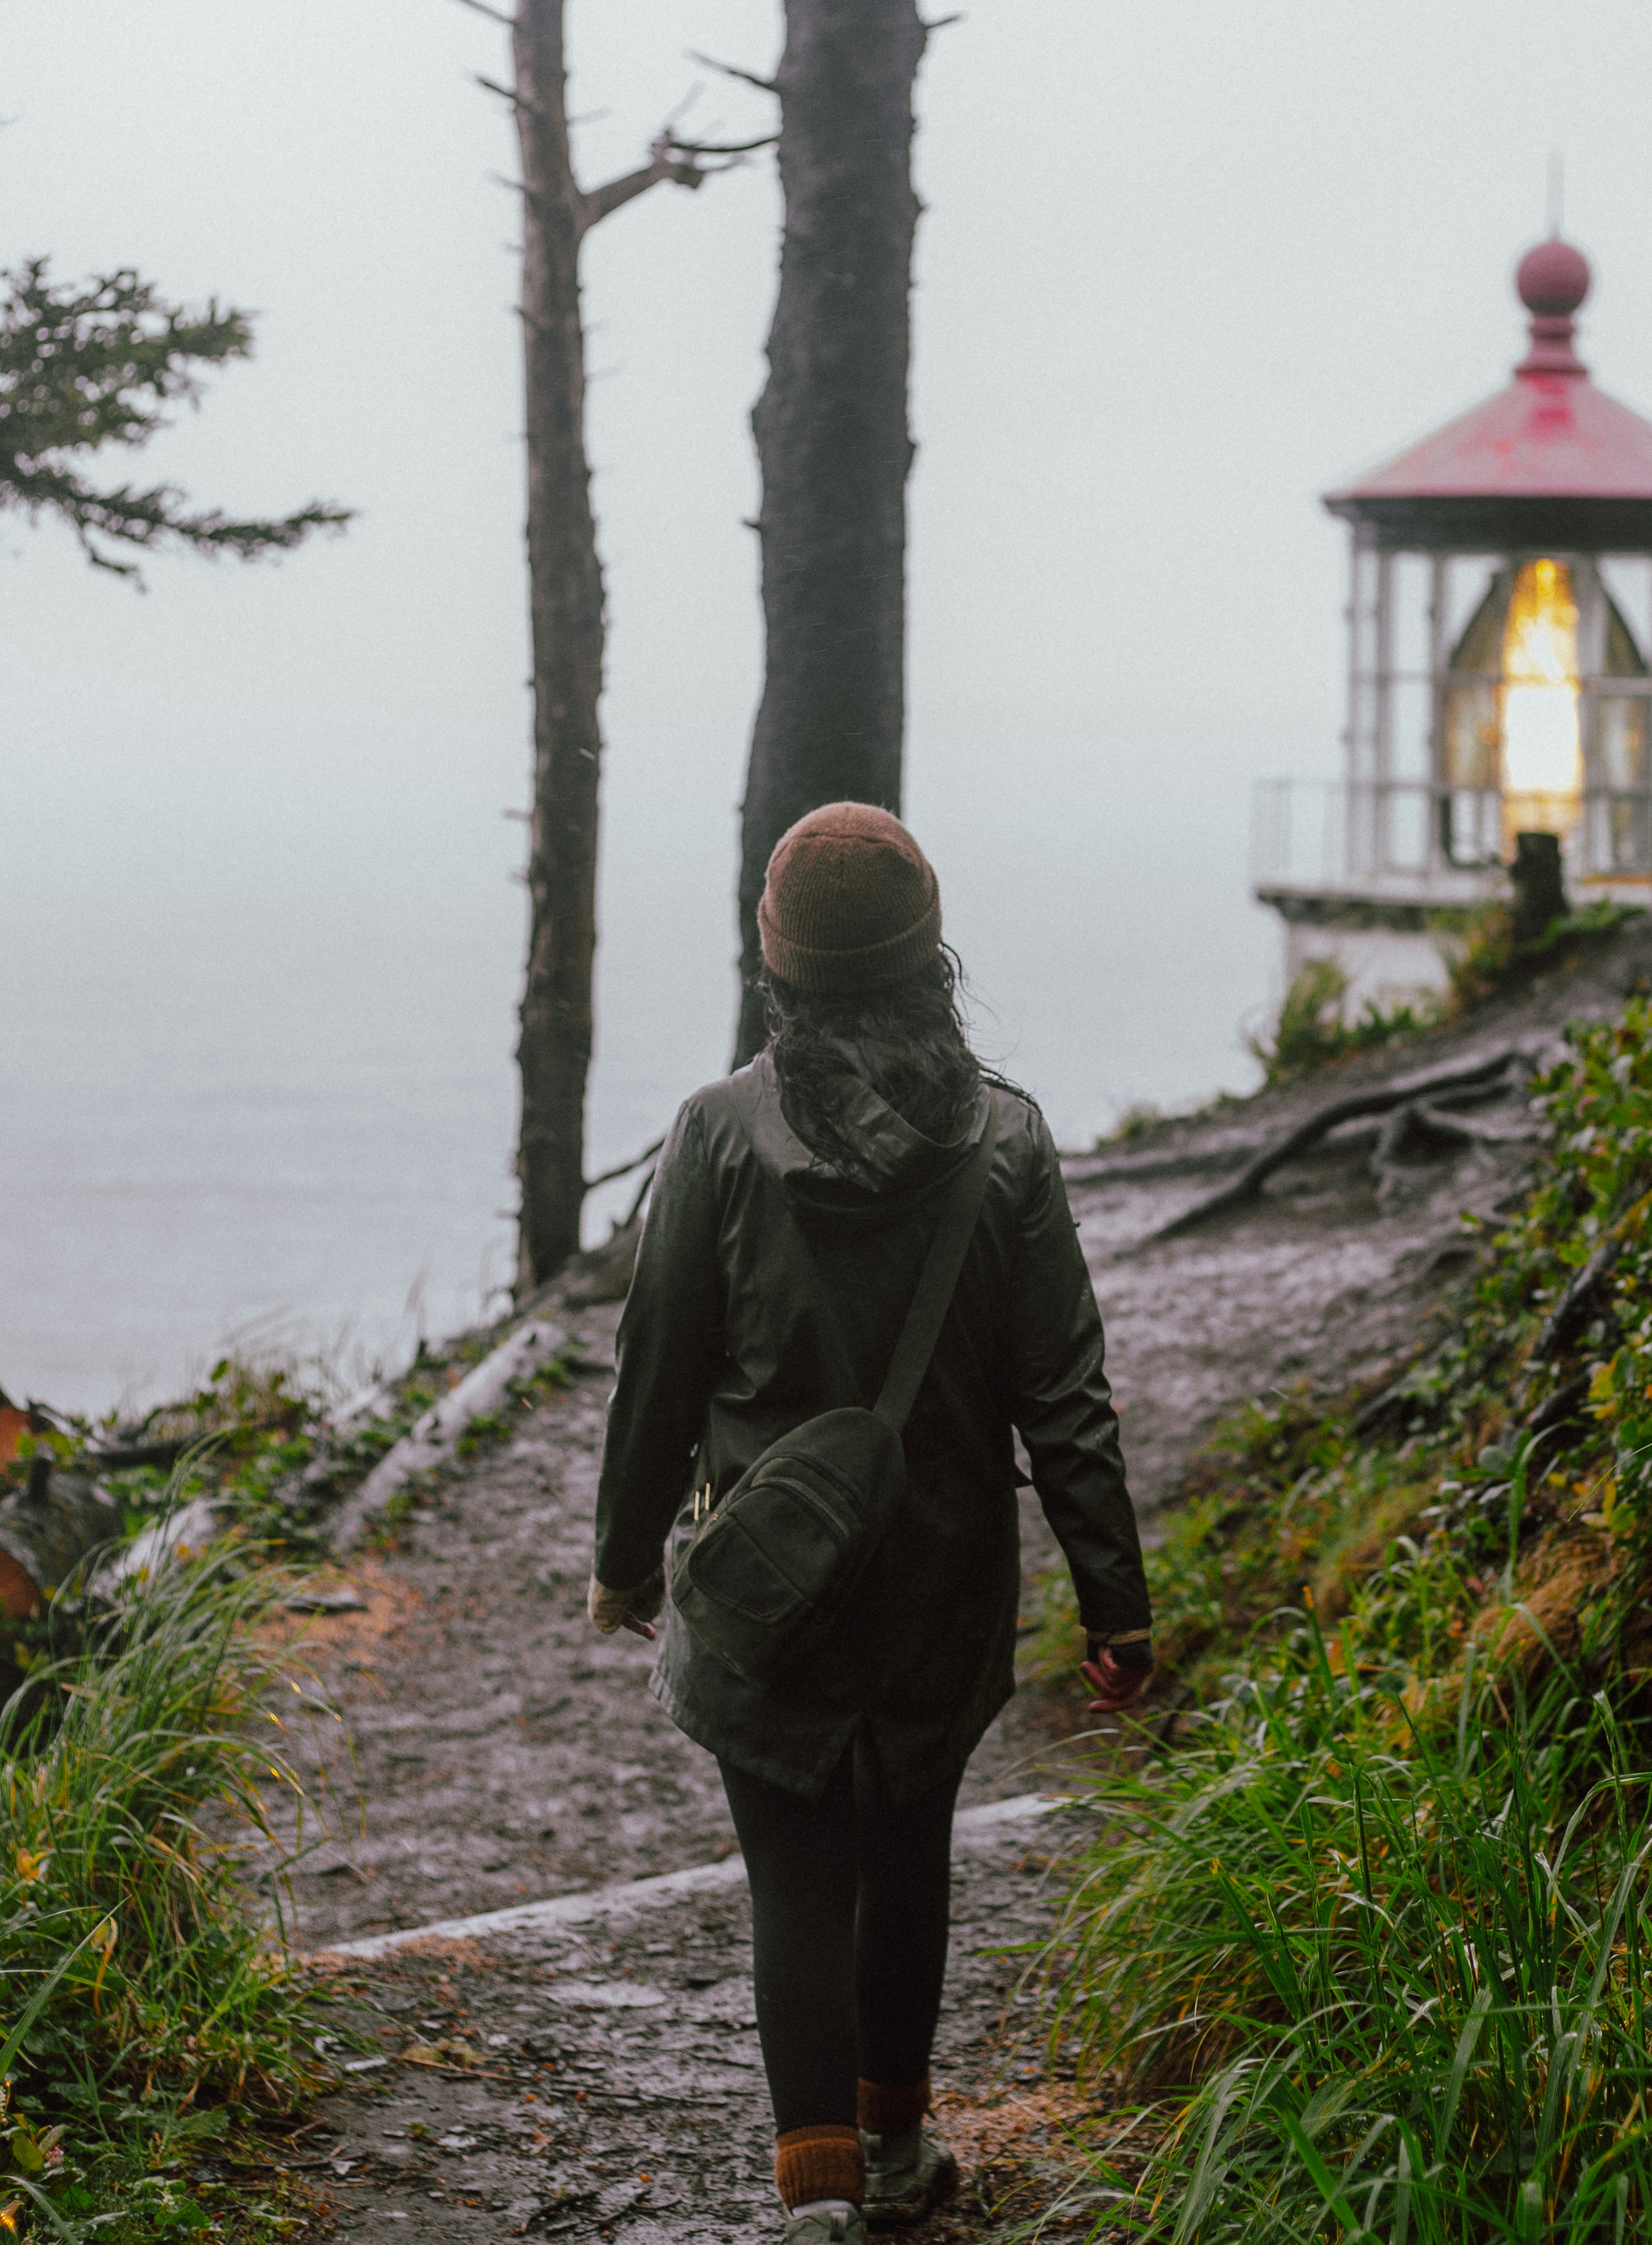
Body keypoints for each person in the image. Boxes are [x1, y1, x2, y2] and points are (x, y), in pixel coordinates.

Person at [587, 803, 1154, 2242]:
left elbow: (656, 1369)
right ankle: (895, 2154)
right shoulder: (1007, 1142)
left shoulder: (718, 1136)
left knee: (794, 1870)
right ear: (927, 952)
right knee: (908, 1851)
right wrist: (1117, 1599)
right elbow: (1064, 1391)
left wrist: (621, 1559)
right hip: (941, 1587)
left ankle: (816, 2190)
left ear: (777, 958)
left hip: (766, 1593)